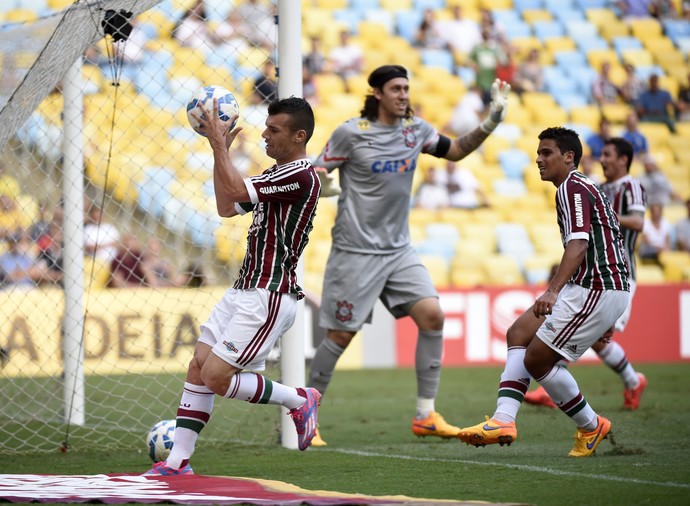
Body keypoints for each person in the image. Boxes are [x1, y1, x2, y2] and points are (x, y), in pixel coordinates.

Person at [306, 65, 510, 445]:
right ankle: (306, 415)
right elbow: (317, 170)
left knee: (432, 315)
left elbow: (457, 151)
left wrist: (491, 121)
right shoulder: (351, 133)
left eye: (406, 88)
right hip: (355, 251)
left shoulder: (416, 130)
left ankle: (425, 415)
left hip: (399, 250)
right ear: (378, 94)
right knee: (339, 335)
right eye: (396, 89)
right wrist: (324, 184)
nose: (404, 95)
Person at [145, 96, 322, 476]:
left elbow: (238, 192)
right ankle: (177, 463)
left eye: (274, 130)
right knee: (198, 367)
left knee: (216, 376)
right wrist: (217, 153)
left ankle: (298, 398)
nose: (264, 134)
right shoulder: (278, 174)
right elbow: (228, 206)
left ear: (299, 136)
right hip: (244, 288)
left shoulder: (300, 174)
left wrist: (220, 147)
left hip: (269, 293)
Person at [457, 127, 630, 457]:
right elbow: (609, 240)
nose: (538, 159)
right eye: (538, 153)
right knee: (518, 332)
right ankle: (503, 420)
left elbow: (579, 244)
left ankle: (591, 426)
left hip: (596, 287)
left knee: (537, 359)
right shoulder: (580, 187)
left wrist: (553, 291)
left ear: (568, 157)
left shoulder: (572, 188)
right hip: (598, 287)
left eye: (546, 152)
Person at [525, 137, 648, 410]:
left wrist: (608, 214)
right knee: (589, 335)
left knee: (593, 336)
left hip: (618, 273)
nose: (602, 160)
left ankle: (628, 380)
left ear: (623, 160)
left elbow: (638, 222)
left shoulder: (632, 187)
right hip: (593, 276)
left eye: (607, 154)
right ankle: (628, 381)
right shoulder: (598, 187)